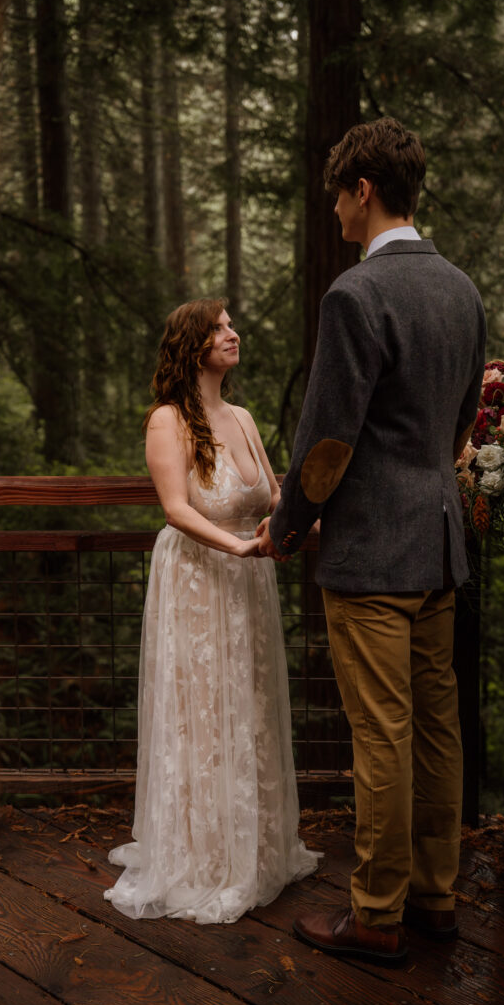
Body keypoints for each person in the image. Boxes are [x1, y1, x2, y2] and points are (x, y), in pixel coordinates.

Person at [257, 117, 486, 963]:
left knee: (381, 735)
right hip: (436, 544)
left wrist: (287, 526)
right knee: (435, 730)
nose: (334, 214)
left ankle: (377, 915)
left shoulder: (355, 295)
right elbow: (460, 424)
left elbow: (327, 438)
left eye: (337, 198)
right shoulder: (461, 289)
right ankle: (434, 898)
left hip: (370, 557)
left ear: (362, 190)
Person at [104, 298, 319, 924]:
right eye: (221, 328)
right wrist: (241, 547)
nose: (235, 334)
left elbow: (274, 497)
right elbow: (176, 508)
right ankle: (200, 854)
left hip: (250, 582)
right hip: (196, 579)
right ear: (193, 344)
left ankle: (254, 848)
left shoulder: (245, 417)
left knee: (248, 704)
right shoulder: (167, 420)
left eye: (232, 326)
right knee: (200, 708)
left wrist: (288, 528)